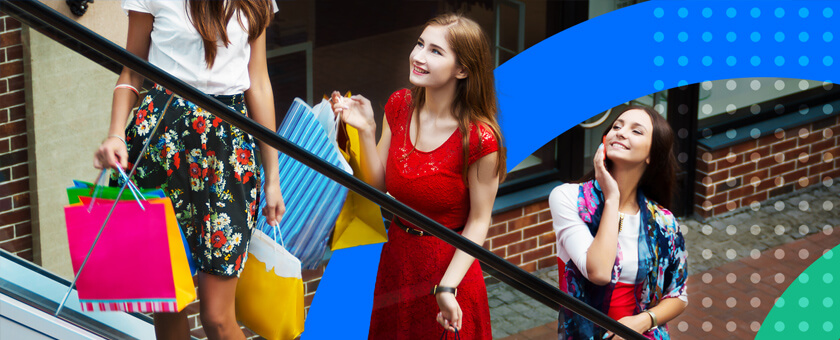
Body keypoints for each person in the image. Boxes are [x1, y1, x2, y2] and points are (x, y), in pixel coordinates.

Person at [93, 1, 285, 339]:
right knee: (167, 302)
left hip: (227, 152)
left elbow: (259, 82)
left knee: (217, 316)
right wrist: (115, 133)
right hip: (161, 144)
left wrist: (273, 178)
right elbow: (132, 71)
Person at [335, 13, 506, 340]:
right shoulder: (400, 105)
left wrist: (448, 286)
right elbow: (378, 187)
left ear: (463, 69)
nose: (418, 56)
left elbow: (479, 221)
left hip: (449, 270)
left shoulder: (480, 139)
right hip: (398, 260)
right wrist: (367, 131)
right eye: (420, 44)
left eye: (435, 51)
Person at [548, 105, 688, 340]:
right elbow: (600, 272)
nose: (621, 132)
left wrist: (641, 321)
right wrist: (612, 198)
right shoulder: (568, 198)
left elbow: (679, 295)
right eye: (617, 126)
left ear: (651, 155)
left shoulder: (663, 222)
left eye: (637, 131)